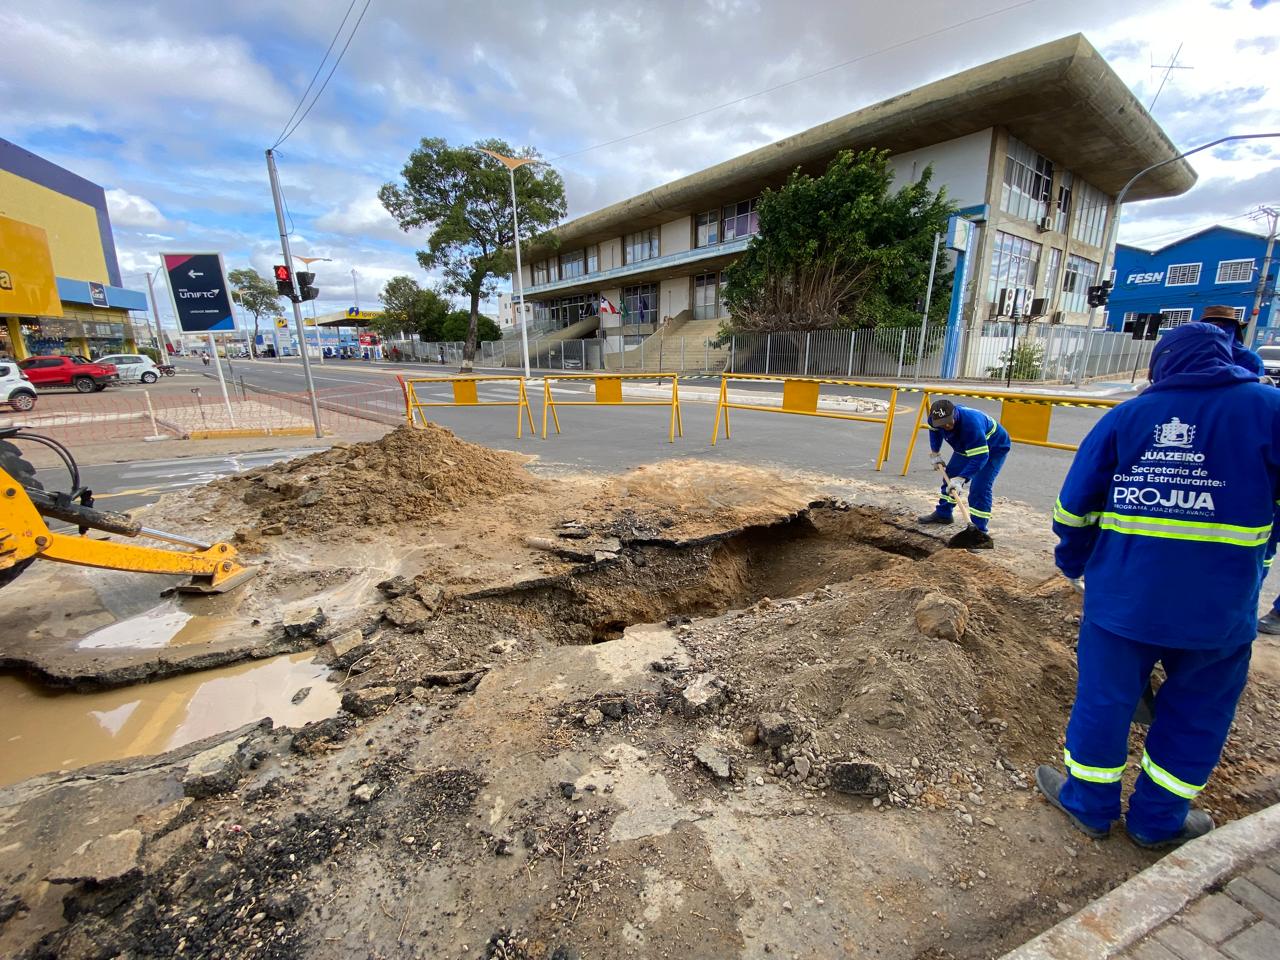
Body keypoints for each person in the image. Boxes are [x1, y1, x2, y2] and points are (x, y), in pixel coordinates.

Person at [1039, 322, 1280, 849]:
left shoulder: (1126, 418)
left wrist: (1075, 563)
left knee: (1105, 701)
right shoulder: (1269, 411)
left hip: (1123, 603)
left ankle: (1089, 804)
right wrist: (1262, 551)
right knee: (1198, 712)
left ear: (1161, 365)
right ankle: (1158, 820)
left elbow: (1075, 508)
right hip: (1219, 609)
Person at [917, 399, 1012, 538]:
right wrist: (935, 453)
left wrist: (962, 479)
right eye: (942, 424)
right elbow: (935, 431)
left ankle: (979, 533)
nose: (947, 426)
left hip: (993, 449)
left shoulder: (971, 424)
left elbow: (980, 456)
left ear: (954, 413)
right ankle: (944, 514)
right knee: (949, 477)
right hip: (965, 446)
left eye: (949, 421)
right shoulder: (935, 419)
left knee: (980, 487)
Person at [1200, 304, 1263, 377]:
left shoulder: (1250, 360)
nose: (1218, 331)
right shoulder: (1195, 354)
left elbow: (1255, 386)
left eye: (1222, 326)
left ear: (1234, 328)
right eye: (1212, 326)